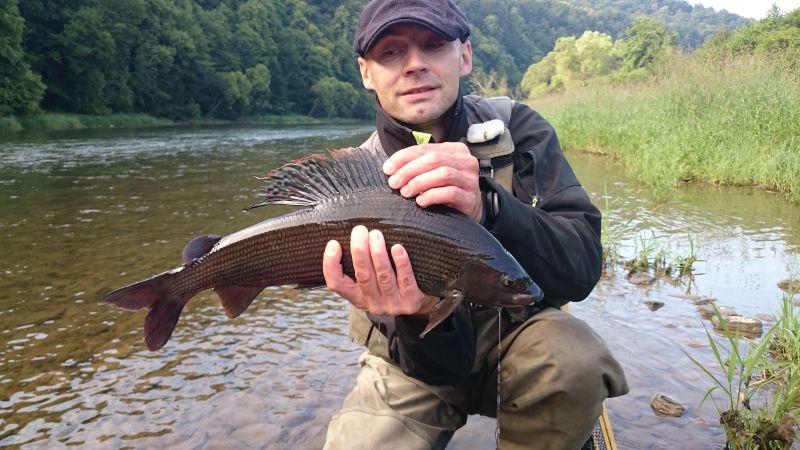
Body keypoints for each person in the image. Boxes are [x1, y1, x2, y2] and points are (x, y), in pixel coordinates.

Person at [321, 1, 629, 449]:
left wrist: (491, 207)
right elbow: (438, 368)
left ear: (464, 56)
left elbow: (581, 269)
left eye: (433, 45)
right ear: (366, 72)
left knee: (573, 358)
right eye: (391, 52)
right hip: (411, 364)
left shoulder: (518, 129)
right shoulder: (355, 181)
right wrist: (418, 313)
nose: (414, 64)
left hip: (521, 342)